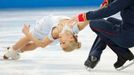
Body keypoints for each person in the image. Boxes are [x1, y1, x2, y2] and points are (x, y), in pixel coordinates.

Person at [69, 0, 134, 70]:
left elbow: (110, 10)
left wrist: (84, 16)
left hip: (127, 37)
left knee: (94, 23)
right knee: (110, 21)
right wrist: (109, 1)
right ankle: (122, 55)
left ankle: (95, 56)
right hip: (130, 31)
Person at [3, 15, 89, 60]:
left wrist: (27, 33)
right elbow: (91, 17)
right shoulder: (77, 27)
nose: (60, 42)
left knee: (31, 38)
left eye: (61, 44)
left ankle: (12, 51)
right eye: (63, 42)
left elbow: (42, 44)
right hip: (45, 26)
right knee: (34, 40)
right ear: (71, 38)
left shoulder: (57, 33)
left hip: (46, 27)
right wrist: (102, 8)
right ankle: (17, 50)